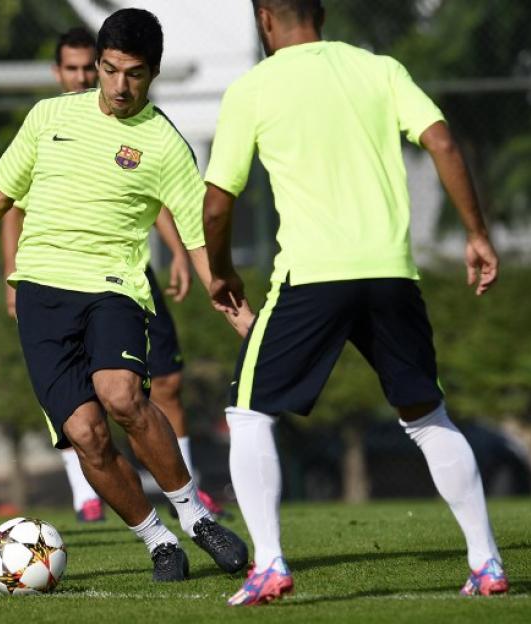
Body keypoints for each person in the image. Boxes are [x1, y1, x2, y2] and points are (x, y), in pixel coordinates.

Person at [0, 8, 249, 582]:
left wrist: (236, 309)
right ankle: (157, 540)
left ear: (153, 73)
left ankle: (195, 516)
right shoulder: (48, 116)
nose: (119, 85)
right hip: (41, 294)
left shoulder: (164, 143)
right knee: (86, 435)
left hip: (113, 288)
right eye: (109, 69)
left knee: (122, 396)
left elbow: (198, 237)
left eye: (134, 73)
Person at [202, 0, 508, 606]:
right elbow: (443, 142)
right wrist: (476, 233)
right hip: (391, 273)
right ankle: (487, 562)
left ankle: (269, 564)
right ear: (320, 13)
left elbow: (216, 205)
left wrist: (221, 272)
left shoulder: (254, 87)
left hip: (312, 277)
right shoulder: (380, 69)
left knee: (248, 413)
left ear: (265, 20)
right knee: (427, 416)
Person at [0, 27, 224, 523]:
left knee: (160, 384)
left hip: (122, 278)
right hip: (53, 282)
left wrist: (180, 253)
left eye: (92, 67)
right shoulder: (49, 124)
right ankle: (91, 495)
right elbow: (6, 203)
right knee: (81, 414)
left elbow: (154, 197)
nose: (90, 78)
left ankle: (189, 498)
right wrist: (9, 275)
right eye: (81, 69)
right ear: (60, 72)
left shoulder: (153, 135)